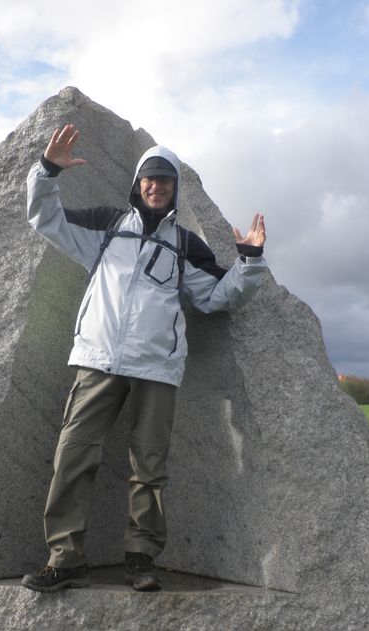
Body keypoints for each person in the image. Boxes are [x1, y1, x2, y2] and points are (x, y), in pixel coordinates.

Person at [22, 124, 268, 593]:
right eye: (149, 179)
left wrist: (249, 263)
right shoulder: (105, 226)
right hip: (97, 361)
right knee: (71, 457)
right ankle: (65, 558)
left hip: (157, 369)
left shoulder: (186, 245)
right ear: (138, 185)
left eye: (166, 180)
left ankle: (140, 558)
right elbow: (46, 219)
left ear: (175, 187)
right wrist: (48, 171)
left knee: (149, 468)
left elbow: (217, 298)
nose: (156, 187)